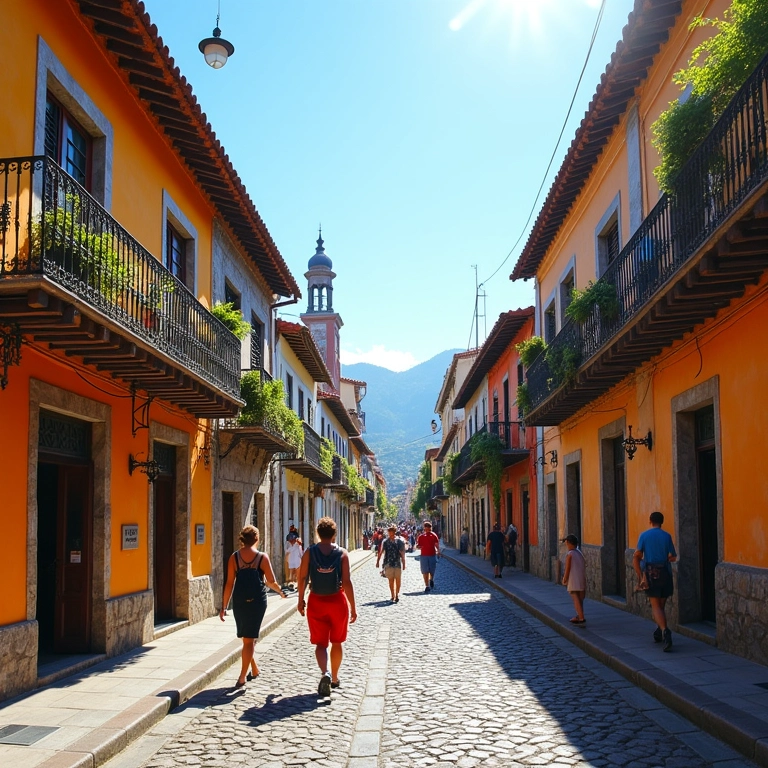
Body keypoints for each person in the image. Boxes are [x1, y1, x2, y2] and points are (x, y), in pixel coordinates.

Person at [297, 516, 358, 696]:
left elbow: (302, 577)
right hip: (337, 602)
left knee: (321, 644)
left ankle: (325, 673)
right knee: (337, 641)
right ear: (334, 534)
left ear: (318, 533)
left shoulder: (310, 552)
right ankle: (335, 678)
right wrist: (353, 607)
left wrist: (300, 600)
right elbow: (346, 582)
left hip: (316, 600)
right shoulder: (342, 554)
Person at [220, 525, 286, 688]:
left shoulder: (234, 558)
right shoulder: (262, 558)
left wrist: (224, 606)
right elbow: (271, 581)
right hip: (257, 602)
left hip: (240, 601)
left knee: (247, 638)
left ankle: (254, 669)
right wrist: (280, 592)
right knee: (249, 639)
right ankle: (243, 676)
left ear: (242, 539)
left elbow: (229, 583)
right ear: (257, 538)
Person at [633, 511, 677, 652]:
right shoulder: (667, 536)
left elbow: (638, 555)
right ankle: (659, 631)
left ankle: (665, 631)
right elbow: (673, 556)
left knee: (655, 606)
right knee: (661, 605)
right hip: (665, 572)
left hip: (651, 573)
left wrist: (640, 576)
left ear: (650, 520)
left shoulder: (644, 536)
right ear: (662, 522)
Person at [376, 524, 406, 602]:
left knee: (398, 580)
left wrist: (404, 563)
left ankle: (397, 594)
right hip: (388, 563)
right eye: (389, 532)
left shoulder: (399, 541)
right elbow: (381, 551)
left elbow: (402, 553)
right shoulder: (385, 541)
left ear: (394, 532)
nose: (390, 533)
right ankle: (392, 595)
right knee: (391, 580)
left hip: (397, 563)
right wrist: (378, 561)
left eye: (391, 531)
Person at [561, 534, 586, 625]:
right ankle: (579, 615)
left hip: (573, 579)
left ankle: (581, 617)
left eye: (566, 543)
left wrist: (564, 578)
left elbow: (567, 568)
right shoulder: (579, 553)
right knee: (580, 599)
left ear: (568, 543)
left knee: (575, 598)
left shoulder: (570, 554)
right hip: (581, 578)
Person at [417, 520, 440, 592]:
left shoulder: (433, 535)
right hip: (424, 556)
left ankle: (431, 579)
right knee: (425, 571)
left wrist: (438, 551)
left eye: (429, 529)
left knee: (432, 570)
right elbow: (418, 545)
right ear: (424, 529)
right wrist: (418, 547)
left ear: (431, 528)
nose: (427, 531)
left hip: (432, 555)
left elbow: (436, 544)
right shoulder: (421, 537)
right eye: (426, 529)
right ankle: (427, 585)